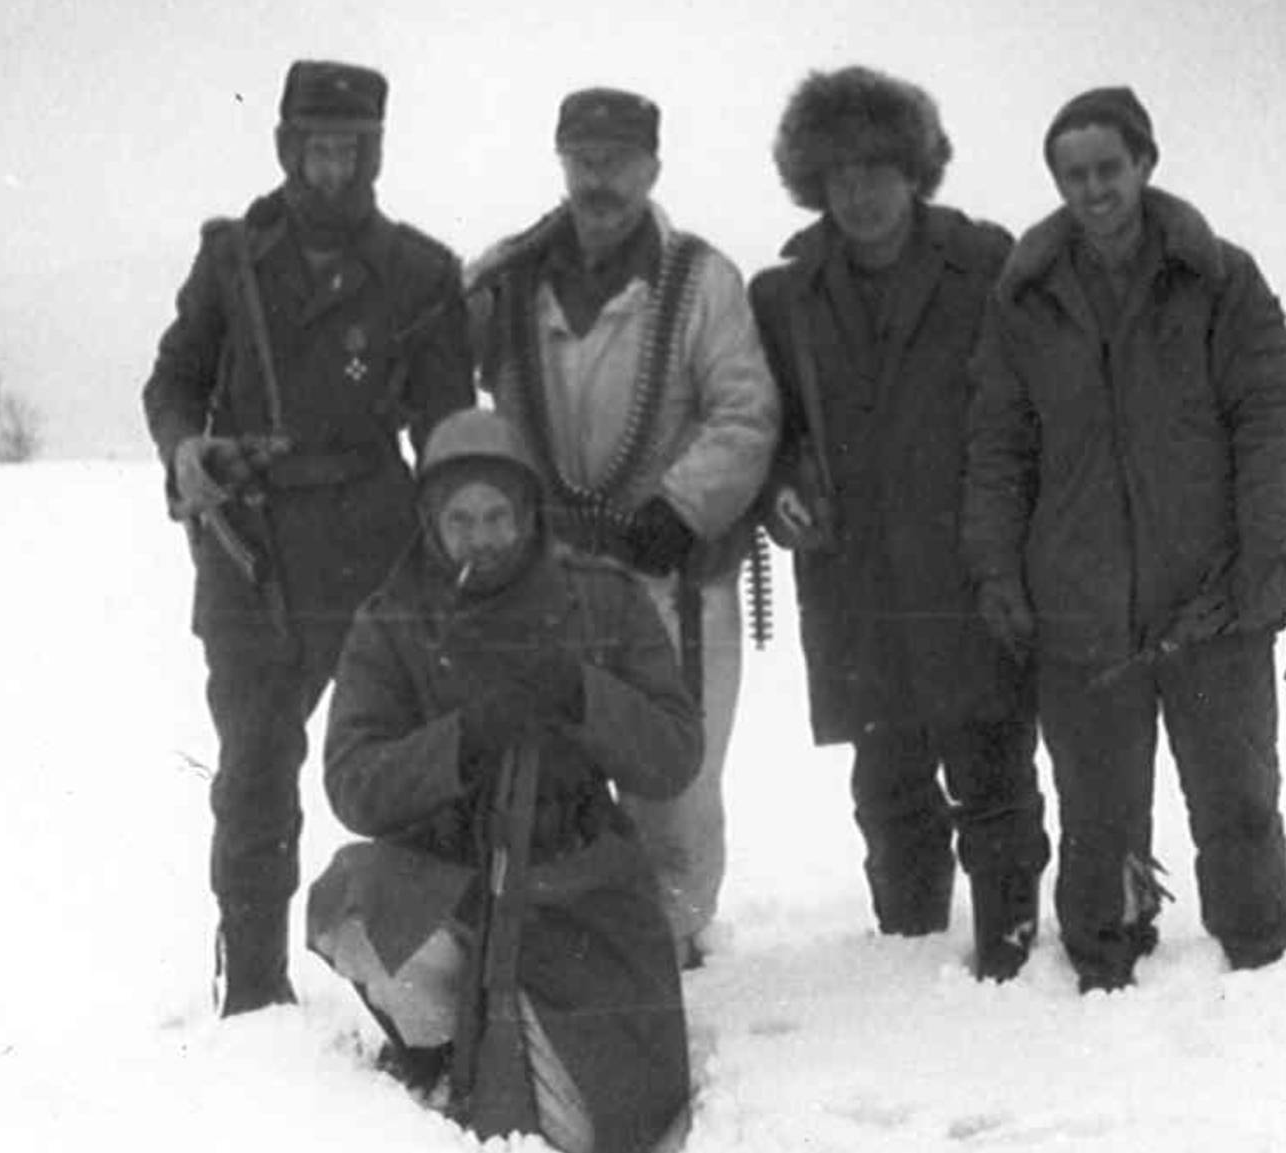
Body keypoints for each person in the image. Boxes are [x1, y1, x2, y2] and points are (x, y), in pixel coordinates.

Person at [142, 59, 474, 1017]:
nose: (331, 170)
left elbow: (448, 428)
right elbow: (171, 382)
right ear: (288, 147)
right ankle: (252, 994)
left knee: (411, 765)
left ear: (373, 153)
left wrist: (457, 545)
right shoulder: (230, 261)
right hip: (250, 555)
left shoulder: (418, 273)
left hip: (377, 547)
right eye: (315, 148)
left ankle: (435, 985)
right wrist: (186, 451)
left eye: (349, 150)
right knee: (253, 765)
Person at [962, 85, 1286, 992]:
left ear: (1146, 164)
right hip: (1079, 604)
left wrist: (1260, 555)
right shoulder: (1025, 297)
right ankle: (1107, 957)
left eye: (1108, 168)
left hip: (1214, 598)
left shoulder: (1221, 278)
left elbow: (1270, 422)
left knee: (1236, 792)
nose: (1093, 189)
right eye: (1073, 174)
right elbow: (997, 446)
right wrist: (998, 570)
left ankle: (1260, 952)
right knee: (1098, 810)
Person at [309, 407, 700, 1153]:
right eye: (461, 520)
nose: (481, 538)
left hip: (579, 889)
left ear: (527, 513)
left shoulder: (602, 599)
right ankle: (435, 1038)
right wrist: (461, 743)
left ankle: (514, 1027)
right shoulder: (392, 620)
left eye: (498, 516)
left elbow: (676, 750)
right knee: (347, 902)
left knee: (592, 1130)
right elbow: (351, 781)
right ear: (430, 519)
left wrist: (582, 692)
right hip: (450, 880)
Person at [748, 66, 1051, 979]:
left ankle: (1008, 948)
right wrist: (781, 489)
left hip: (968, 565)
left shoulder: (987, 264)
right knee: (886, 781)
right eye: (838, 174)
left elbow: (1037, 407)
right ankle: (906, 957)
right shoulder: (784, 295)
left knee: (993, 767)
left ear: (916, 170)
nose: (860, 192)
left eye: (878, 168)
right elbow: (768, 424)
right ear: (813, 182)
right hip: (853, 576)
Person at [466, 85, 779, 968]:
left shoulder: (701, 279)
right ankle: (563, 938)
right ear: (560, 161)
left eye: (619, 160)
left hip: (671, 574)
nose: (600, 179)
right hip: (546, 572)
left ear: (653, 166)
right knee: (545, 761)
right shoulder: (504, 278)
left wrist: (681, 506)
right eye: (584, 159)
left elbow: (744, 409)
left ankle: (671, 944)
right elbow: (437, 371)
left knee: (675, 775)